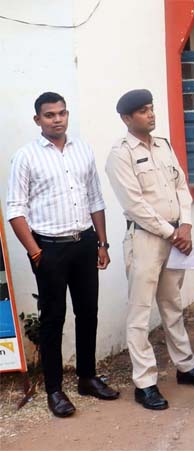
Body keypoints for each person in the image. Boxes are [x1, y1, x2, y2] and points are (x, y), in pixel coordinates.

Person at [6, 92, 118, 417]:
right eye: (49, 115)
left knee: (88, 312)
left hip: (84, 243)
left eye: (61, 113)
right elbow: (15, 209)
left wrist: (102, 243)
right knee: (53, 318)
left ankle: (87, 377)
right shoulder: (26, 157)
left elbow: (95, 198)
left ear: (67, 115)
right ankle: (54, 390)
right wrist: (35, 252)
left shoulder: (82, 149)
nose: (57, 119)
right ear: (37, 119)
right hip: (49, 249)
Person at [105, 89, 194, 410]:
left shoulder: (163, 145)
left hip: (176, 235)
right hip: (146, 239)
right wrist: (172, 232)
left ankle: (185, 367)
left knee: (172, 304)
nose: (151, 114)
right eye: (143, 111)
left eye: (151, 108)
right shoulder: (120, 154)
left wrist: (186, 225)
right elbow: (134, 204)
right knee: (140, 312)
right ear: (127, 118)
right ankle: (145, 383)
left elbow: (181, 186)